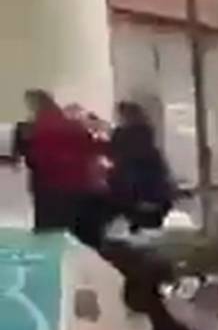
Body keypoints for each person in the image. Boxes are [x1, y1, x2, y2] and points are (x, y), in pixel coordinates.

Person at [24, 90, 109, 245]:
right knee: (72, 233)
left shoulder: (38, 127)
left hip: (49, 186)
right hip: (77, 185)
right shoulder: (73, 126)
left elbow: (36, 158)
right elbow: (92, 148)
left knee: (49, 236)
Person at [109, 101, 174, 231]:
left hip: (133, 191)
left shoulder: (122, 136)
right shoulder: (148, 137)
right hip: (153, 199)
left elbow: (113, 151)